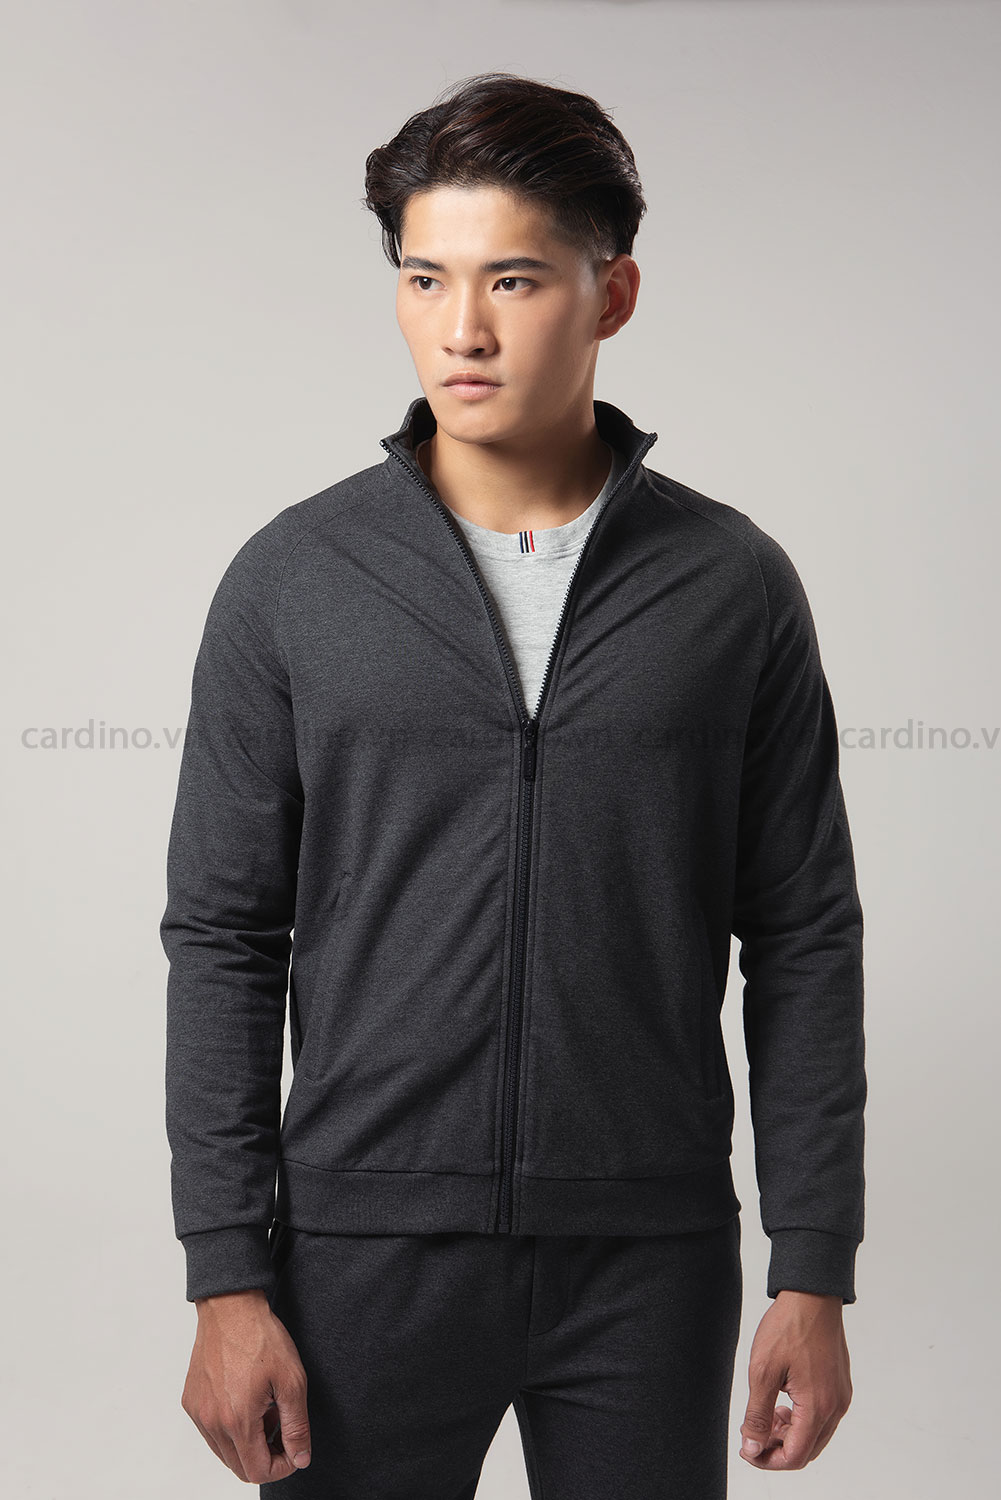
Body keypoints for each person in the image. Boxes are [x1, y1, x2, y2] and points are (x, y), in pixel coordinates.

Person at [160, 71, 866, 1498]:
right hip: (360, 1254)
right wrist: (226, 1275)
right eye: (425, 277)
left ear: (613, 296)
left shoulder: (730, 586)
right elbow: (224, 937)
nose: (461, 328)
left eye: (514, 280)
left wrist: (813, 1265)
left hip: (646, 1259)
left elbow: (802, 934)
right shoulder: (294, 580)